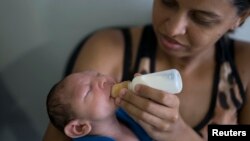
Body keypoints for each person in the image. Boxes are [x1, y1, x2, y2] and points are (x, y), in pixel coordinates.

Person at [43, 0, 250, 140]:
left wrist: (181, 134)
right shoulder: (110, 51)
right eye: (167, 1)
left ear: (240, 18)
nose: (173, 29)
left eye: (201, 18)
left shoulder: (245, 66)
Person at [46, 70, 152, 141]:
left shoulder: (125, 112)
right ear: (79, 127)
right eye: (88, 91)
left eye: (98, 74)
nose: (103, 80)